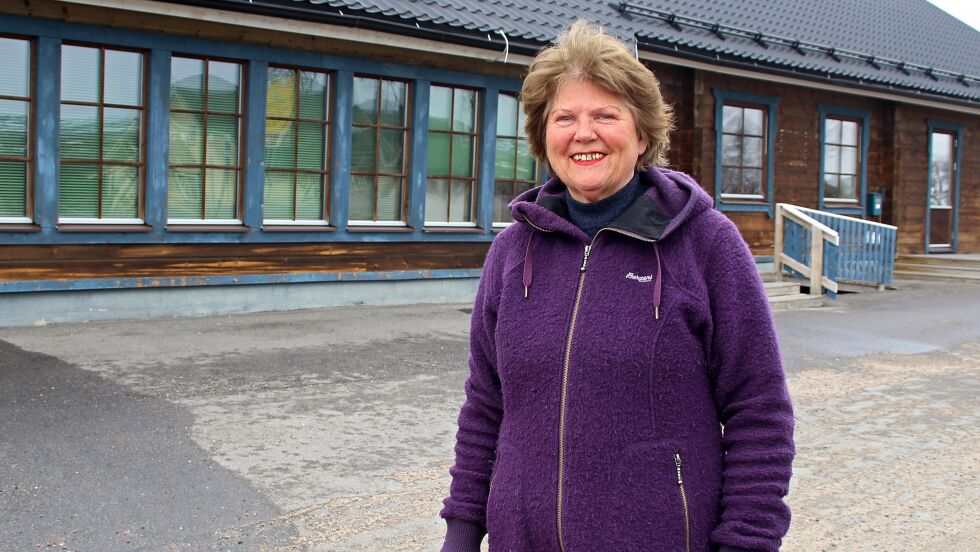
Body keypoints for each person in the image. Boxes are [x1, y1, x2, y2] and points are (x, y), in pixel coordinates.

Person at [440, 19, 795, 552]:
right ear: (543, 137)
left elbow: (758, 408)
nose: (584, 133)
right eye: (565, 118)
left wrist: (746, 541)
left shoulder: (706, 245)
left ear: (643, 133)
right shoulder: (513, 252)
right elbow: (486, 405)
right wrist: (463, 531)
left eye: (606, 115)